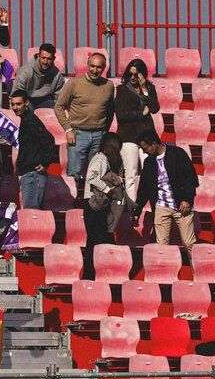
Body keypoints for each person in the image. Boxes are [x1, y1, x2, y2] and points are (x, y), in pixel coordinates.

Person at [132, 130, 197, 258]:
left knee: (189, 243)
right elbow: (143, 190)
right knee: (161, 247)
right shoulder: (148, 162)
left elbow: (190, 177)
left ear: (154, 144)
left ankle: (197, 270)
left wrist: (187, 199)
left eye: (145, 148)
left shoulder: (177, 154)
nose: (144, 152)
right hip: (160, 206)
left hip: (181, 205)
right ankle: (165, 271)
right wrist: (136, 211)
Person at [56, 52, 114, 190]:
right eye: (92, 66)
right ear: (87, 65)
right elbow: (58, 107)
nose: (95, 70)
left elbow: (110, 110)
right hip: (78, 134)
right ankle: (72, 201)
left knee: (97, 175)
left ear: (104, 68)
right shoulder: (74, 83)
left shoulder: (109, 85)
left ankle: (92, 201)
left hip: (99, 135)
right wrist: (68, 129)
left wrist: (105, 131)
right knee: (74, 173)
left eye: (99, 67)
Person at [113, 58, 160, 198]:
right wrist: (141, 114)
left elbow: (155, 108)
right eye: (130, 74)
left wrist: (144, 88)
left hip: (146, 134)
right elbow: (121, 115)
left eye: (136, 74)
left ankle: (151, 202)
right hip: (128, 135)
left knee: (150, 171)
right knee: (131, 174)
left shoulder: (149, 88)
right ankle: (131, 205)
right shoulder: (122, 90)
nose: (133, 77)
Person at [8, 90, 59, 209]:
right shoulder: (25, 119)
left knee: (31, 212)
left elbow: (49, 140)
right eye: (13, 104)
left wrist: (45, 163)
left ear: (26, 103)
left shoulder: (30, 120)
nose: (15, 107)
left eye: (18, 104)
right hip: (30, 174)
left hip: (33, 175)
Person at [83, 132, 129, 262]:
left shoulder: (104, 159)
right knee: (95, 241)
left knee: (101, 240)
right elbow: (91, 177)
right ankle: (91, 271)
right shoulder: (101, 158)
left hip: (99, 204)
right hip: (94, 204)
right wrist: (107, 189)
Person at [10, 43, 65, 111]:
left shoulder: (57, 74)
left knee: (55, 110)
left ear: (54, 59)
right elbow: (16, 94)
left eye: (49, 59)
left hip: (46, 100)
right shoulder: (26, 71)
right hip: (27, 99)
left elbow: (60, 97)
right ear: (38, 56)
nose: (45, 62)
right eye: (43, 58)